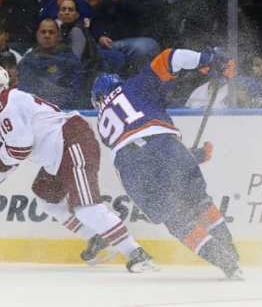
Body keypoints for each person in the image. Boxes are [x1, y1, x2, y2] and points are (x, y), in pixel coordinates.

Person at [0, 64, 157, 272]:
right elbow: (14, 152)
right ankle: (94, 238)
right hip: (59, 153)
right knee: (46, 196)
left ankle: (136, 253)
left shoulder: (6, 105)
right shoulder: (5, 106)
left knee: (87, 208)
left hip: (72, 142)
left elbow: (19, 150)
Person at [90, 48, 243, 280]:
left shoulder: (102, 120)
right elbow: (171, 57)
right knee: (198, 201)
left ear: (98, 99)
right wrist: (209, 60)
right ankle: (232, 253)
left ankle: (226, 264)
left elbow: (137, 147)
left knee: (177, 220)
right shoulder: (134, 86)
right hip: (164, 146)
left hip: (130, 168)